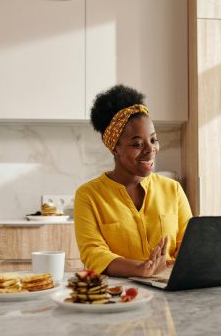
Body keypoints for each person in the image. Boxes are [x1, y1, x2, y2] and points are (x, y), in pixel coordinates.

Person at [74, 85, 192, 277]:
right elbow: (93, 253)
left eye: (153, 140)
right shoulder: (89, 195)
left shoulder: (173, 189)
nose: (150, 149)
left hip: (171, 289)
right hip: (121, 295)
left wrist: (172, 264)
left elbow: (188, 244)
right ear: (115, 149)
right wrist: (140, 269)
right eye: (137, 144)